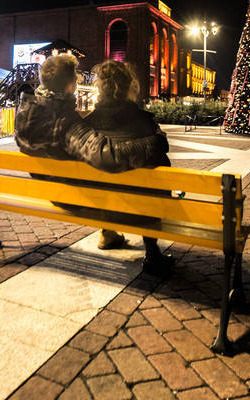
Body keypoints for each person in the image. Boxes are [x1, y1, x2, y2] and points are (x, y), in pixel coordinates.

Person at [15, 54, 173, 274]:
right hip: (125, 206)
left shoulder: (26, 116)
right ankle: (151, 251)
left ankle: (108, 232)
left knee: (102, 179)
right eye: (77, 82)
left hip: (64, 193)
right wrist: (156, 141)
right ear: (71, 85)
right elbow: (107, 157)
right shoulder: (68, 123)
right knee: (149, 179)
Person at [83, 60, 174, 273]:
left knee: (106, 177)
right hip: (140, 209)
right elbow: (163, 167)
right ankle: (151, 253)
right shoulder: (144, 121)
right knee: (152, 186)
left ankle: (108, 233)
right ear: (129, 86)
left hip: (100, 207)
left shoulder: (87, 123)